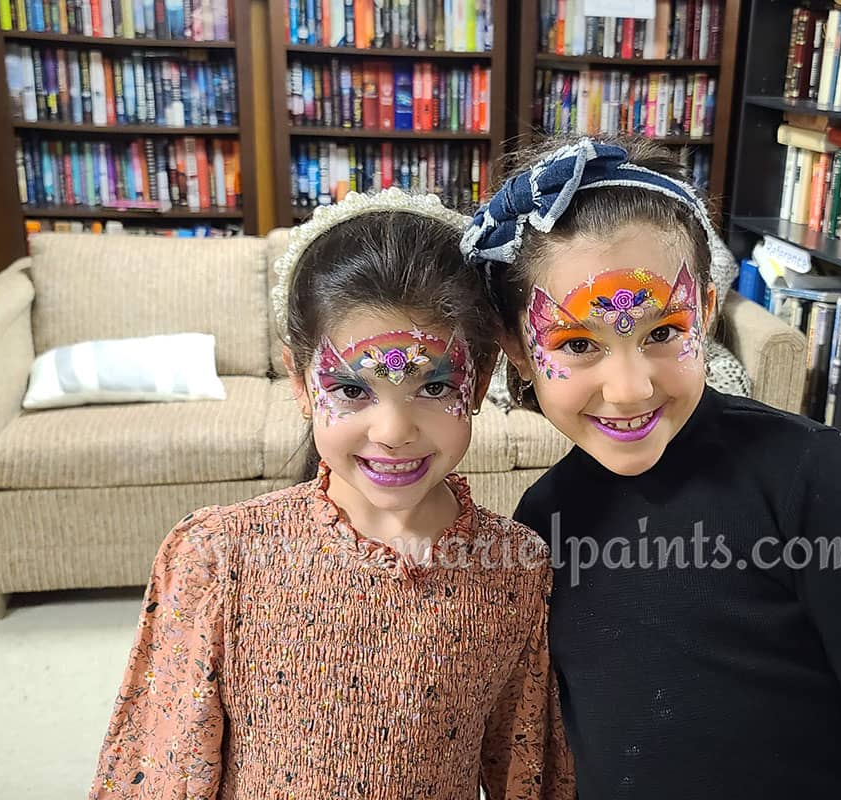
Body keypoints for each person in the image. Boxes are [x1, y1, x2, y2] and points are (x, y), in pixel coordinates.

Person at [461, 134, 841, 800]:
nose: (629, 388)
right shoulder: (543, 518)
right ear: (518, 349)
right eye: (578, 344)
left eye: (661, 333)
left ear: (704, 311)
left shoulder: (806, 478)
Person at [88, 188, 575, 800]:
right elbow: (162, 773)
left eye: (433, 387)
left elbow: (523, 768)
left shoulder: (516, 569)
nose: (393, 432)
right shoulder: (216, 559)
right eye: (350, 388)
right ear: (300, 381)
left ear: (476, 384)